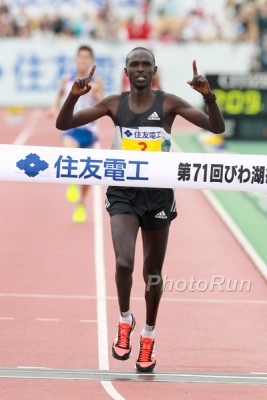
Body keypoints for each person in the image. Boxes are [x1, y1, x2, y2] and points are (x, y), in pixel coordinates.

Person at [56, 47, 225, 372]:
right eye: (134, 64)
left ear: (154, 69)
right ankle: (124, 320)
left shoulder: (169, 103)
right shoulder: (114, 104)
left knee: (152, 273)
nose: (140, 69)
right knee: (123, 262)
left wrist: (209, 96)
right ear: (126, 70)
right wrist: (74, 97)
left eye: (145, 64)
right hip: (123, 192)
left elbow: (215, 128)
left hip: (159, 196)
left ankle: (148, 334)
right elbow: (64, 124)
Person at [50, 45, 103, 222]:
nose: (83, 60)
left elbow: (103, 103)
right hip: (71, 127)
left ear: (91, 61)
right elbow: (59, 95)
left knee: (88, 172)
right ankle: (73, 183)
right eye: (80, 57)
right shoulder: (67, 79)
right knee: (70, 155)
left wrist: (96, 94)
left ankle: (80, 204)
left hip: (89, 129)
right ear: (76, 59)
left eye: (87, 57)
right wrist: (53, 107)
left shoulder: (97, 81)